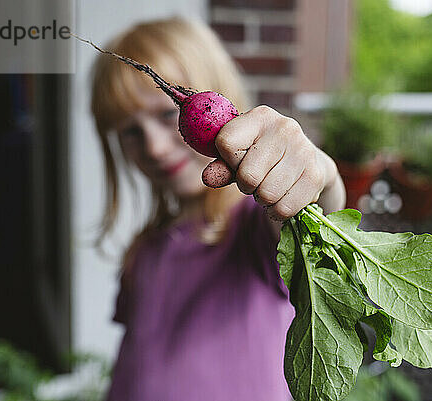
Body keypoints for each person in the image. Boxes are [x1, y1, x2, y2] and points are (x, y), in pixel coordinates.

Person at [89, 17, 346, 401]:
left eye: (164, 115)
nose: (155, 147)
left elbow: (309, 215)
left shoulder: (253, 227)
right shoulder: (145, 248)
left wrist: (317, 173)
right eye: (130, 131)